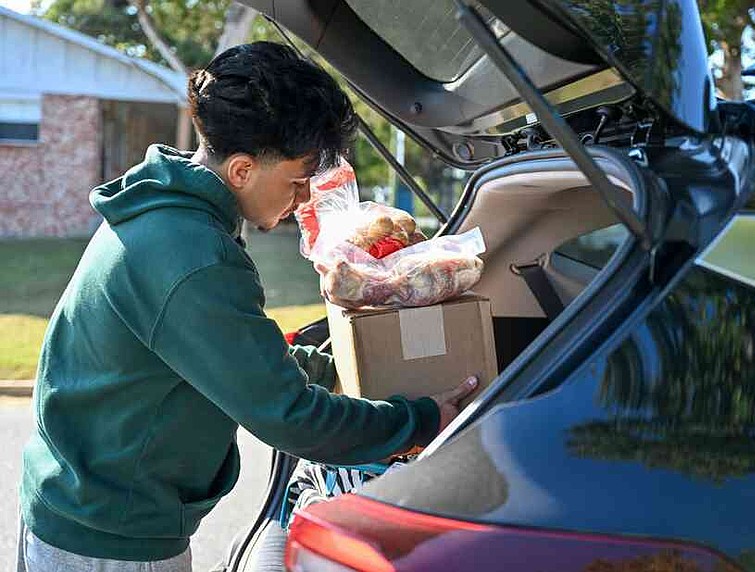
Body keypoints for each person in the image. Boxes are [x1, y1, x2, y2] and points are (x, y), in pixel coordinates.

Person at [17, 41, 477, 572]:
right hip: (111, 541)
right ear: (241, 170)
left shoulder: (165, 213)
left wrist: (338, 365)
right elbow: (290, 418)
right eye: (297, 180)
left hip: (77, 508)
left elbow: (226, 356)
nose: (304, 199)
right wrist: (423, 420)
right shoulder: (192, 254)